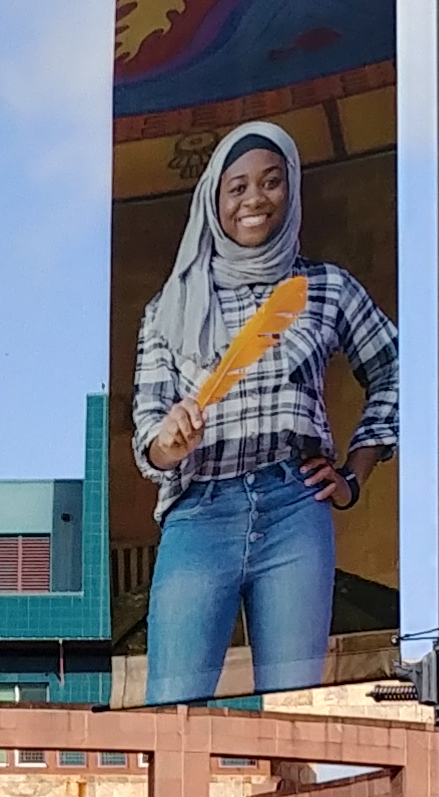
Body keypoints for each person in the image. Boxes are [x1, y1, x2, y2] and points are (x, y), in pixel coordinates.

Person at [133, 120, 399, 702]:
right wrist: (168, 443)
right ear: (214, 200)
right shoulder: (168, 307)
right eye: (238, 188)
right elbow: (147, 432)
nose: (255, 198)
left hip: (294, 509)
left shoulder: (325, 288)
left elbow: (396, 369)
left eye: (272, 182)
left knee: (293, 711)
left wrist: (355, 474)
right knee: (169, 712)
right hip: (199, 513)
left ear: (291, 190)